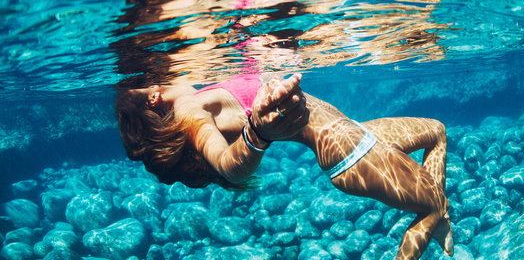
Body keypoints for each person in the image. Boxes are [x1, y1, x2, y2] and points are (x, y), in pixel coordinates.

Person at [116, 73, 453, 260]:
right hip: (349, 150)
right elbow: (228, 166)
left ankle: (440, 222)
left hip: (354, 134)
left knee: (436, 131)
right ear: (153, 95)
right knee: (432, 206)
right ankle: (436, 221)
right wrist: (257, 133)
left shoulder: (194, 100)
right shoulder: (189, 109)